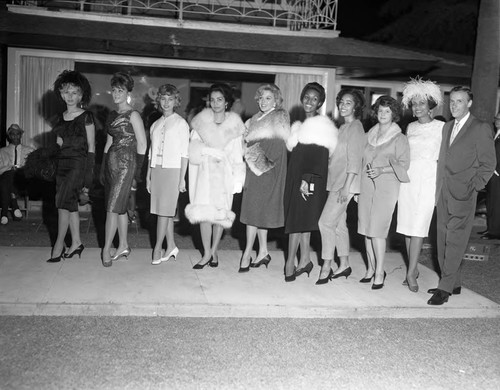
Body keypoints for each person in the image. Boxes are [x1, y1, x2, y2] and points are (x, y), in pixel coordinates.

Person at [428, 86, 496, 305]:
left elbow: (488, 164)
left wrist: (474, 187)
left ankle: (444, 287)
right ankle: (453, 282)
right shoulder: (447, 127)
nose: (454, 105)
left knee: (456, 240)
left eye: (459, 101)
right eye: (452, 101)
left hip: (464, 193)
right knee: (442, 239)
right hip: (444, 191)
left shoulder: (480, 128)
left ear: (469, 103)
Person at [186, 83, 246, 269]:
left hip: (225, 175)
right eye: (212, 100)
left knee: (220, 215)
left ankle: (214, 250)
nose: (216, 103)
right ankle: (206, 254)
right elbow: (193, 148)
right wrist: (207, 150)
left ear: (226, 102)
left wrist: (237, 180)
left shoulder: (235, 126)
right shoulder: (201, 122)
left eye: (219, 99)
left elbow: (237, 154)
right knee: (204, 214)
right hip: (205, 173)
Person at [283, 83, 337, 282]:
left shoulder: (321, 126)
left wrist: (307, 180)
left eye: (314, 99)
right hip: (296, 178)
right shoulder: (299, 126)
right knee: (302, 220)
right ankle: (305, 259)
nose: (309, 101)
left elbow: (320, 157)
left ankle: (290, 263)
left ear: (320, 102)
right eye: (307, 97)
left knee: (297, 222)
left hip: (309, 179)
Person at [358, 95, 410, 290]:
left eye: (387, 111)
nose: (383, 114)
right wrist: (356, 188)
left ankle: (380, 271)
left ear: (394, 114)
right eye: (380, 110)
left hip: (387, 186)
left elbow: (405, 165)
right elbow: (360, 161)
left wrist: (382, 169)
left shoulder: (399, 138)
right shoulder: (368, 135)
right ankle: (371, 268)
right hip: (366, 185)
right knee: (365, 229)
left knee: (378, 231)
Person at [397, 78, 444, 293]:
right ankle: (412, 269)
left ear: (431, 105)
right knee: (407, 228)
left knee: (418, 228)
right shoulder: (410, 127)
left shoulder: (442, 128)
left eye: (421, 103)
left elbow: (444, 160)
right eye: (414, 104)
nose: (417, 108)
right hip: (408, 181)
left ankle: (410, 271)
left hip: (428, 181)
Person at [316, 89, 366, 284]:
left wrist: (347, 187)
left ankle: (326, 265)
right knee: (338, 225)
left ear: (356, 107)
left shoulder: (355, 127)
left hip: (345, 183)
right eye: (341, 102)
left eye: (348, 103)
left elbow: (355, 159)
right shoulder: (343, 127)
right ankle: (344, 264)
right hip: (336, 181)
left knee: (325, 223)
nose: (343, 106)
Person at [239, 84, 290, 272]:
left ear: (276, 100)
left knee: (254, 213)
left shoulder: (279, 117)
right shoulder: (254, 119)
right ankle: (262, 252)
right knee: (257, 214)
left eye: (268, 98)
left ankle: (246, 253)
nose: (263, 101)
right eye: (260, 98)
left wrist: (248, 154)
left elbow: (276, 149)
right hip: (254, 170)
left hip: (267, 171)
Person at [47, 70, 95, 263]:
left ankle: (59, 244)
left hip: (78, 165)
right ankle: (76, 243)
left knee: (62, 204)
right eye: (66, 92)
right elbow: (59, 143)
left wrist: (88, 177)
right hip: (62, 165)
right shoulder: (60, 118)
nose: (70, 96)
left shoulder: (87, 116)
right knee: (70, 205)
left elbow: (92, 147)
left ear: (82, 95)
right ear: (60, 93)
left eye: (74, 92)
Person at [101, 72, 147, 267]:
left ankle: (106, 249)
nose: (116, 94)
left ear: (127, 92)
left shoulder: (133, 115)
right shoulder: (112, 115)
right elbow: (109, 141)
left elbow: (142, 144)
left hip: (126, 164)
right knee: (119, 208)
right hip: (111, 162)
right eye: (114, 90)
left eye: (120, 90)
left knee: (112, 207)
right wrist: (102, 166)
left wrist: (137, 172)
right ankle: (124, 245)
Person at [146, 84, 189, 265]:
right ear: (159, 100)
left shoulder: (181, 123)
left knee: (164, 211)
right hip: (156, 169)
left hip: (173, 170)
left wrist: (182, 179)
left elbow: (184, 153)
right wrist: (148, 175)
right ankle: (171, 245)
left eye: (170, 99)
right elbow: (151, 152)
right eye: (163, 98)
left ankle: (157, 247)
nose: (166, 102)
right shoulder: (155, 124)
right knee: (163, 211)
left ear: (176, 101)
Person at [0, 124, 34, 225]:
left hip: (22, 180)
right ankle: (14, 205)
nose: (15, 137)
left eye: (17, 134)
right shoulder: (2, 152)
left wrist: (20, 169)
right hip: (6, 178)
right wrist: (10, 167)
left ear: (21, 135)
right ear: (9, 136)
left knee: (8, 178)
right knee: (9, 174)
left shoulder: (29, 150)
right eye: (12, 134)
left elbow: (33, 168)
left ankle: (4, 213)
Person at [481, 111, 500, 240]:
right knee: (491, 202)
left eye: (499, 118)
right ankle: (491, 228)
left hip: (497, 174)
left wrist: (497, 170)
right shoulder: (496, 134)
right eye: (496, 118)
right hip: (491, 174)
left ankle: (495, 232)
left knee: (496, 203)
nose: (496, 120)